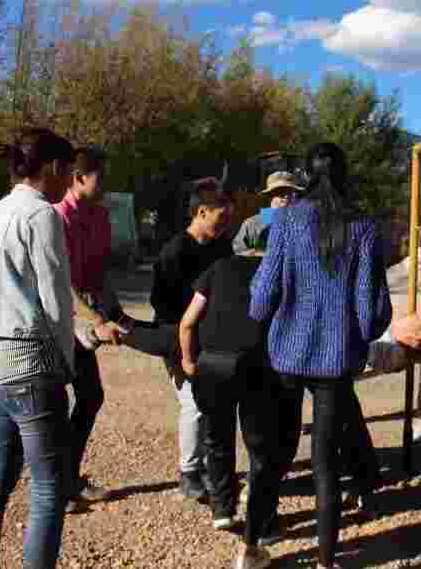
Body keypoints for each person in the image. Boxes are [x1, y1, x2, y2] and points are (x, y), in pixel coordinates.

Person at [0, 128, 115, 569]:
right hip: (31, 367)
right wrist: (69, 360)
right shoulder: (42, 215)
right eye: (67, 171)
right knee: (49, 488)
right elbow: (55, 301)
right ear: (54, 168)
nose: (68, 180)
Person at [250, 142, 392, 569]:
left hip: (285, 356)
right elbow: (370, 314)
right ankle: (327, 562)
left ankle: (251, 547)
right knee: (325, 466)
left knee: (270, 455)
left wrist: (260, 313)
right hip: (336, 362)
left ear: (306, 176)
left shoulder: (286, 220)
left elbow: (262, 296)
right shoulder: (363, 227)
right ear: (345, 174)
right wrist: (366, 331)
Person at [178, 246, 299, 569]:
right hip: (255, 365)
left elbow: (188, 322)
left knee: (216, 437)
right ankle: (263, 524)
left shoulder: (217, 268)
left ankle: (222, 509)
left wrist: (188, 360)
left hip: (213, 364)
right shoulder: (277, 273)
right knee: (260, 449)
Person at [54, 146, 130, 511]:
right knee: (53, 403)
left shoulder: (100, 216)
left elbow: (99, 272)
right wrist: (95, 320)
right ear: (79, 177)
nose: (106, 184)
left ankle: (66, 480)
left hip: (85, 318)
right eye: (101, 177)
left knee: (89, 396)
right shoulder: (56, 217)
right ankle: (56, 488)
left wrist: (116, 312)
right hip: (55, 321)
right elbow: (60, 282)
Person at [149, 179, 234, 501]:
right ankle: (189, 472)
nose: (226, 224)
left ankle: (211, 468)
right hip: (177, 338)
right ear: (201, 212)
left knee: (213, 404)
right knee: (193, 403)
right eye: (222, 217)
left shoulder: (222, 247)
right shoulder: (173, 253)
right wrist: (179, 352)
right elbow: (162, 307)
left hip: (213, 339)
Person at [232, 171, 304, 254]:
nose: (286, 196)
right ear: (270, 196)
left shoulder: (304, 224)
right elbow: (238, 251)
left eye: (290, 192)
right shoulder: (253, 224)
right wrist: (265, 255)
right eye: (280, 192)